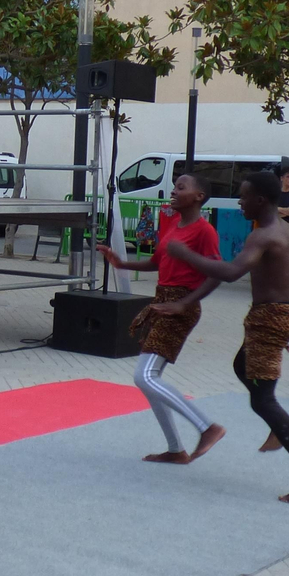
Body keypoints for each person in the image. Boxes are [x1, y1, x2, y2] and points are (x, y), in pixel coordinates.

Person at [164, 172, 289, 502]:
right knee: (242, 366)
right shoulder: (288, 232)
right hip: (278, 314)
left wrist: (186, 255)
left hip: (269, 317)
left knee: (263, 399)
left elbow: (232, 271)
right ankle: (276, 425)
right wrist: (287, 316)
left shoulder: (263, 235)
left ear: (260, 201)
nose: (239, 202)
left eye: (244, 196)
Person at [101, 174, 227, 464]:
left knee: (144, 376)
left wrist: (185, 303)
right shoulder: (172, 225)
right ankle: (175, 450)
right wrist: (122, 263)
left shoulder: (204, 231)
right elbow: (158, 262)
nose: (173, 191)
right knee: (150, 379)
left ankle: (207, 427)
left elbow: (217, 272)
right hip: (163, 302)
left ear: (199, 196)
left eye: (181, 187)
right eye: (174, 186)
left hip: (181, 305)